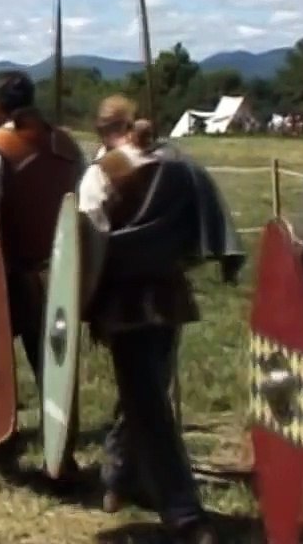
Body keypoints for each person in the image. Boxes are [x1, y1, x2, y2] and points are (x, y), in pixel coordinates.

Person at [78, 94, 223, 544]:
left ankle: (182, 513)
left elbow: (87, 249)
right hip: (170, 297)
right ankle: (121, 480)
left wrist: (82, 304)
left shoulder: (99, 176)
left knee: (149, 406)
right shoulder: (182, 169)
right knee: (146, 395)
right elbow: (198, 237)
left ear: (105, 132)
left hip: (125, 306)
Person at [0, 71, 85, 474]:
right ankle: (62, 454)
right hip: (58, 272)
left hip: (7, 273)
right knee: (56, 364)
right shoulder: (67, 145)